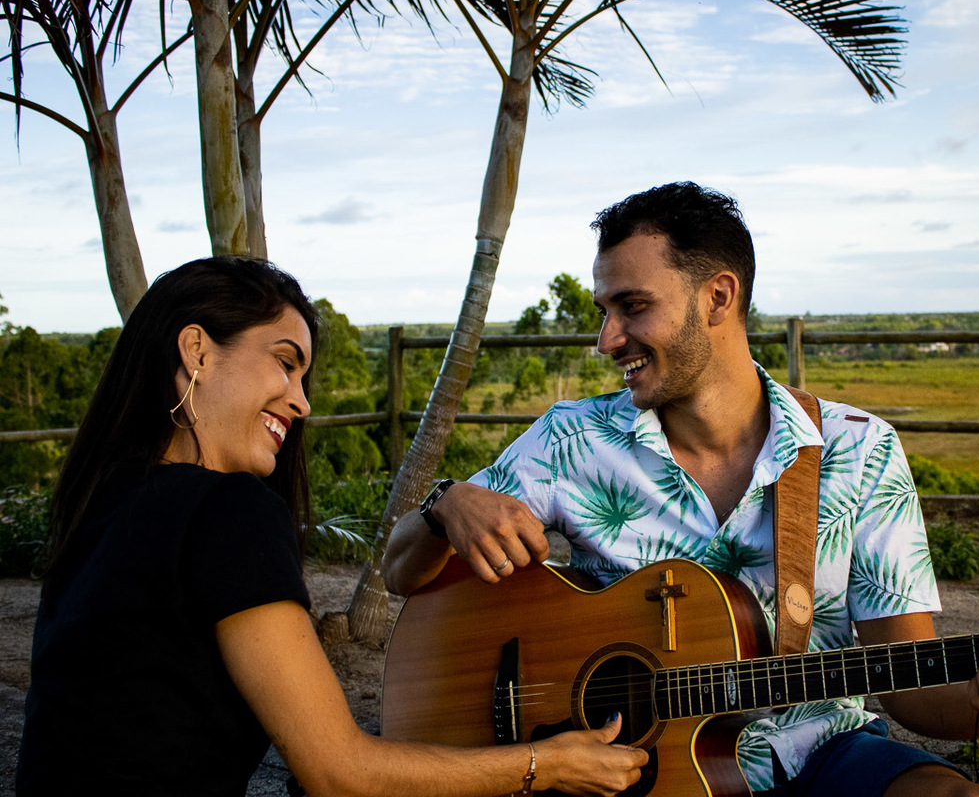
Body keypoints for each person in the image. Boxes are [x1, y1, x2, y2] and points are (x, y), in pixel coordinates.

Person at [383, 183, 979, 797]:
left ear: (717, 297)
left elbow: (910, 690)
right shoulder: (573, 439)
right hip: (630, 777)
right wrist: (444, 506)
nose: (606, 338)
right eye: (604, 310)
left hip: (820, 753)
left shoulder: (860, 450)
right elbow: (400, 571)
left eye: (632, 307)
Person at [16, 257, 647, 797]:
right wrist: (547, 765)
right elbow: (338, 773)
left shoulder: (102, 500)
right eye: (285, 363)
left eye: (304, 376)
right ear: (197, 351)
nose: (302, 400)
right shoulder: (227, 510)